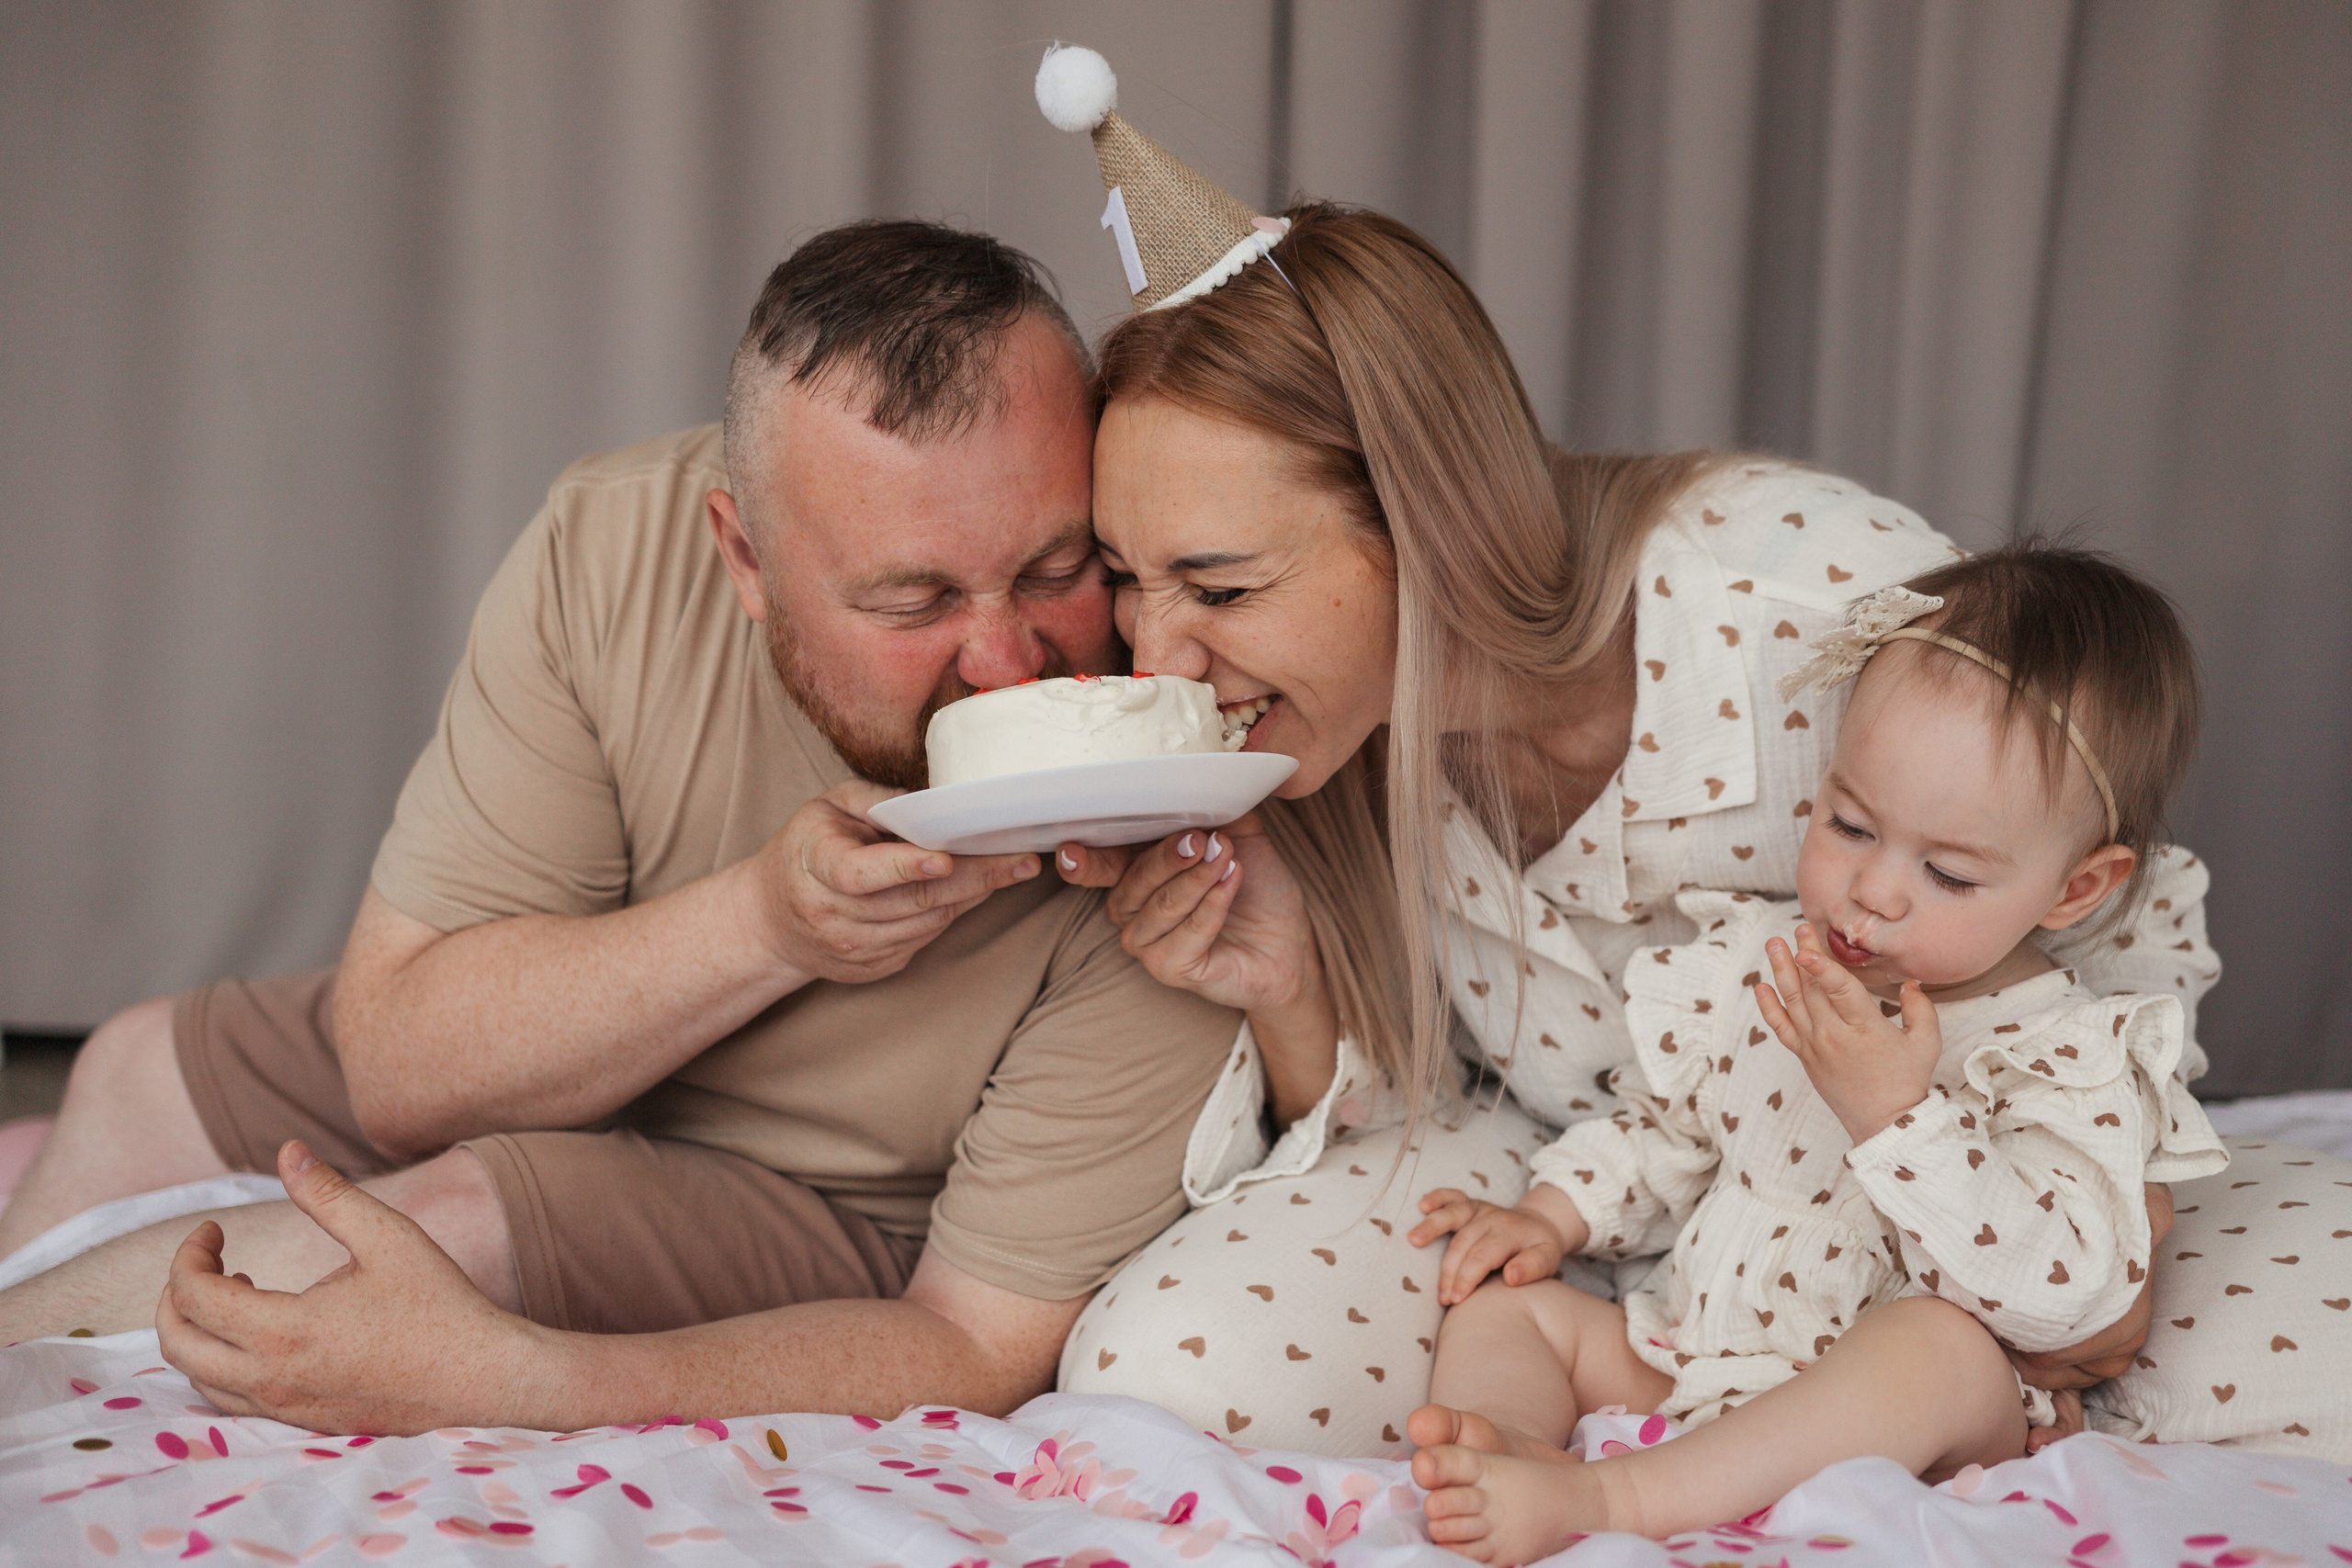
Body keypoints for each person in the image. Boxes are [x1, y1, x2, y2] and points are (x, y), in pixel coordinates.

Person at [1035, 94, 2219, 1457]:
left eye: (1219, 584)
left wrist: (2117, 1215)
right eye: (1126, 577)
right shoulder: (1313, 749)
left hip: (1954, 1222)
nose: (1157, 651)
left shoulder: (1809, 602)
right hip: (1609, 1218)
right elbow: (1423, 1109)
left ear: (1429, 519)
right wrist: (1291, 990)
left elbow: (2120, 902)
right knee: (1159, 1374)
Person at [0, 220, 1240, 1437]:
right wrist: (769, 921)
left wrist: (513, 1376)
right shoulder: (616, 548)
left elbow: (976, 1340)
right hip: (602, 1027)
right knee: (135, 1066)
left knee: (447, 1223)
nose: (1009, 661)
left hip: (828, 1189)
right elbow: (392, 1068)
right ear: (743, 556)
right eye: (911, 598)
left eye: (1057, 568)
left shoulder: (1185, 781)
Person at [1403, 547, 2227, 1558]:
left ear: (2074, 890)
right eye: (1847, 823)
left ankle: (1618, 1503)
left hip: (1901, 1410)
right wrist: (1548, 1216)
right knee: (1511, 1309)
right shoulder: (1764, 959)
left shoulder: (2064, 1055)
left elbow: (2062, 1293)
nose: (1872, 892)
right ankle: (1521, 1453)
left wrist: (1897, 1117)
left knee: (1937, 1349)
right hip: (1697, 1359)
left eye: (1949, 874)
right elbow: (1673, 1130)